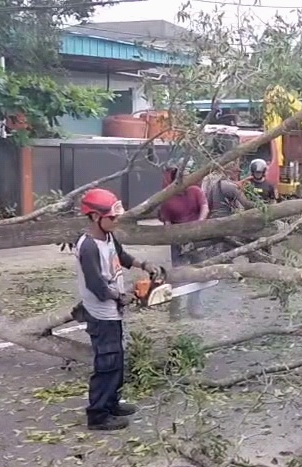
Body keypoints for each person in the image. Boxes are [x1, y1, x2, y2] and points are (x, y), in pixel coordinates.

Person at [72, 188, 161, 431]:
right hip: (101, 313)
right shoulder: (89, 246)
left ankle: (112, 402)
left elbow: (121, 256)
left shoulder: (108, 237)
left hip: (112, 312)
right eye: (112, 217)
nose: (116, 220)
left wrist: (143, 264)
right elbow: (96, 285)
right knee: (106, 362)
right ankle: (98, 414)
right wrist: (120, 297)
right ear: (94, 217)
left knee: (117, 359)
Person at [158, 163, 209, 319]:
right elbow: (166, 222)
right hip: (178, 240)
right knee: (178, 274)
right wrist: (173, 236)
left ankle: (195, 305)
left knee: (198, 272)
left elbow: (205, 207)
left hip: (196, 239)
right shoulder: (168, 197)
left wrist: (199, 224)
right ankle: (175, 308)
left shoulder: (196, 191)